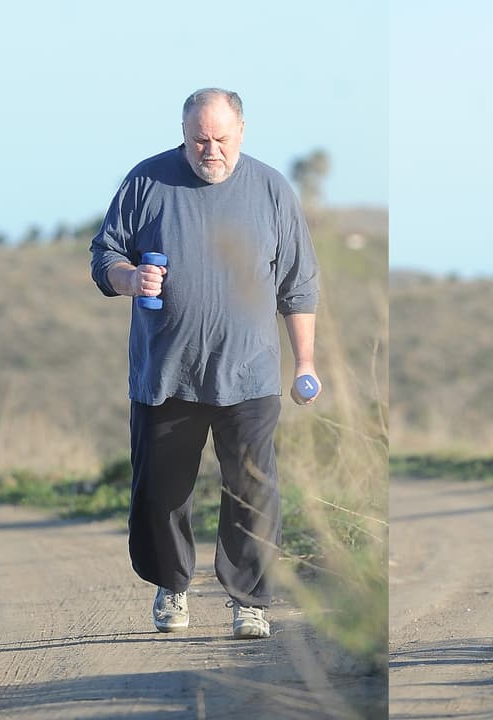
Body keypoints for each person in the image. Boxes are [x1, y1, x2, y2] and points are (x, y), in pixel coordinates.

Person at [89, 88, 321, 640]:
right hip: (167, 374)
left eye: (219, 138)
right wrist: (129, 279)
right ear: (184, 133)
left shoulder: (271, 189)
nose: (209, 150)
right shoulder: (147, 181)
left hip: (250, 374)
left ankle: (250, 603)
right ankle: (172, 587)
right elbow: (105, 255)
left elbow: (299, 284)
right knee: (161, 493)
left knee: (252, 489)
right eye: (199, 139)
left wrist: (305, 363)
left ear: (241, 131)